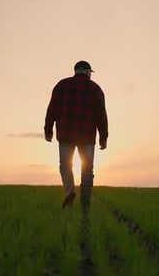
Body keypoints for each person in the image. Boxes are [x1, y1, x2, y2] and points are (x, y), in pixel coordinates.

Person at [44, 60, 109, 209]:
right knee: (87, 170)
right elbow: (101, 116)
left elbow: (51, 109)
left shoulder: (61, 85)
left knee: (65, 166)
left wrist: (48, 130)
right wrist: (103, 138)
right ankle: (85, 203)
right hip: (86, 136)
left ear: (75, 71)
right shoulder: (95, 89)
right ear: (87, 72)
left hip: (66, 133)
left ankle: (69, 191)